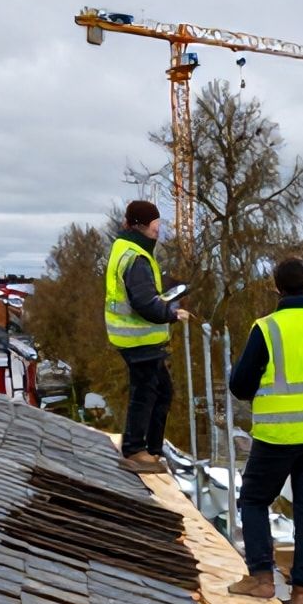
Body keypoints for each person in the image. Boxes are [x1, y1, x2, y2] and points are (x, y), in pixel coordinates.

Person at [225, 259, 303, 604]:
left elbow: (240, 385)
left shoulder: (268, 328)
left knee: (254, 499)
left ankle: (262, 577)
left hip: (278, 436)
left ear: (276, 288)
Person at [106, 200, 189, 474]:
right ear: (143, 225)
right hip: (138, 340)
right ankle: (135, 450)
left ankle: (151, 449)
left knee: (161, 391)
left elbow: (141, 294)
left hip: (137, 340)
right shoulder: (136, 257)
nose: (158, 232)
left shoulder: (127, 249)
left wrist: (165, 294)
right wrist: (171, 313)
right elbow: (143, 302)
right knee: (145, 392)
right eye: (156, 227)